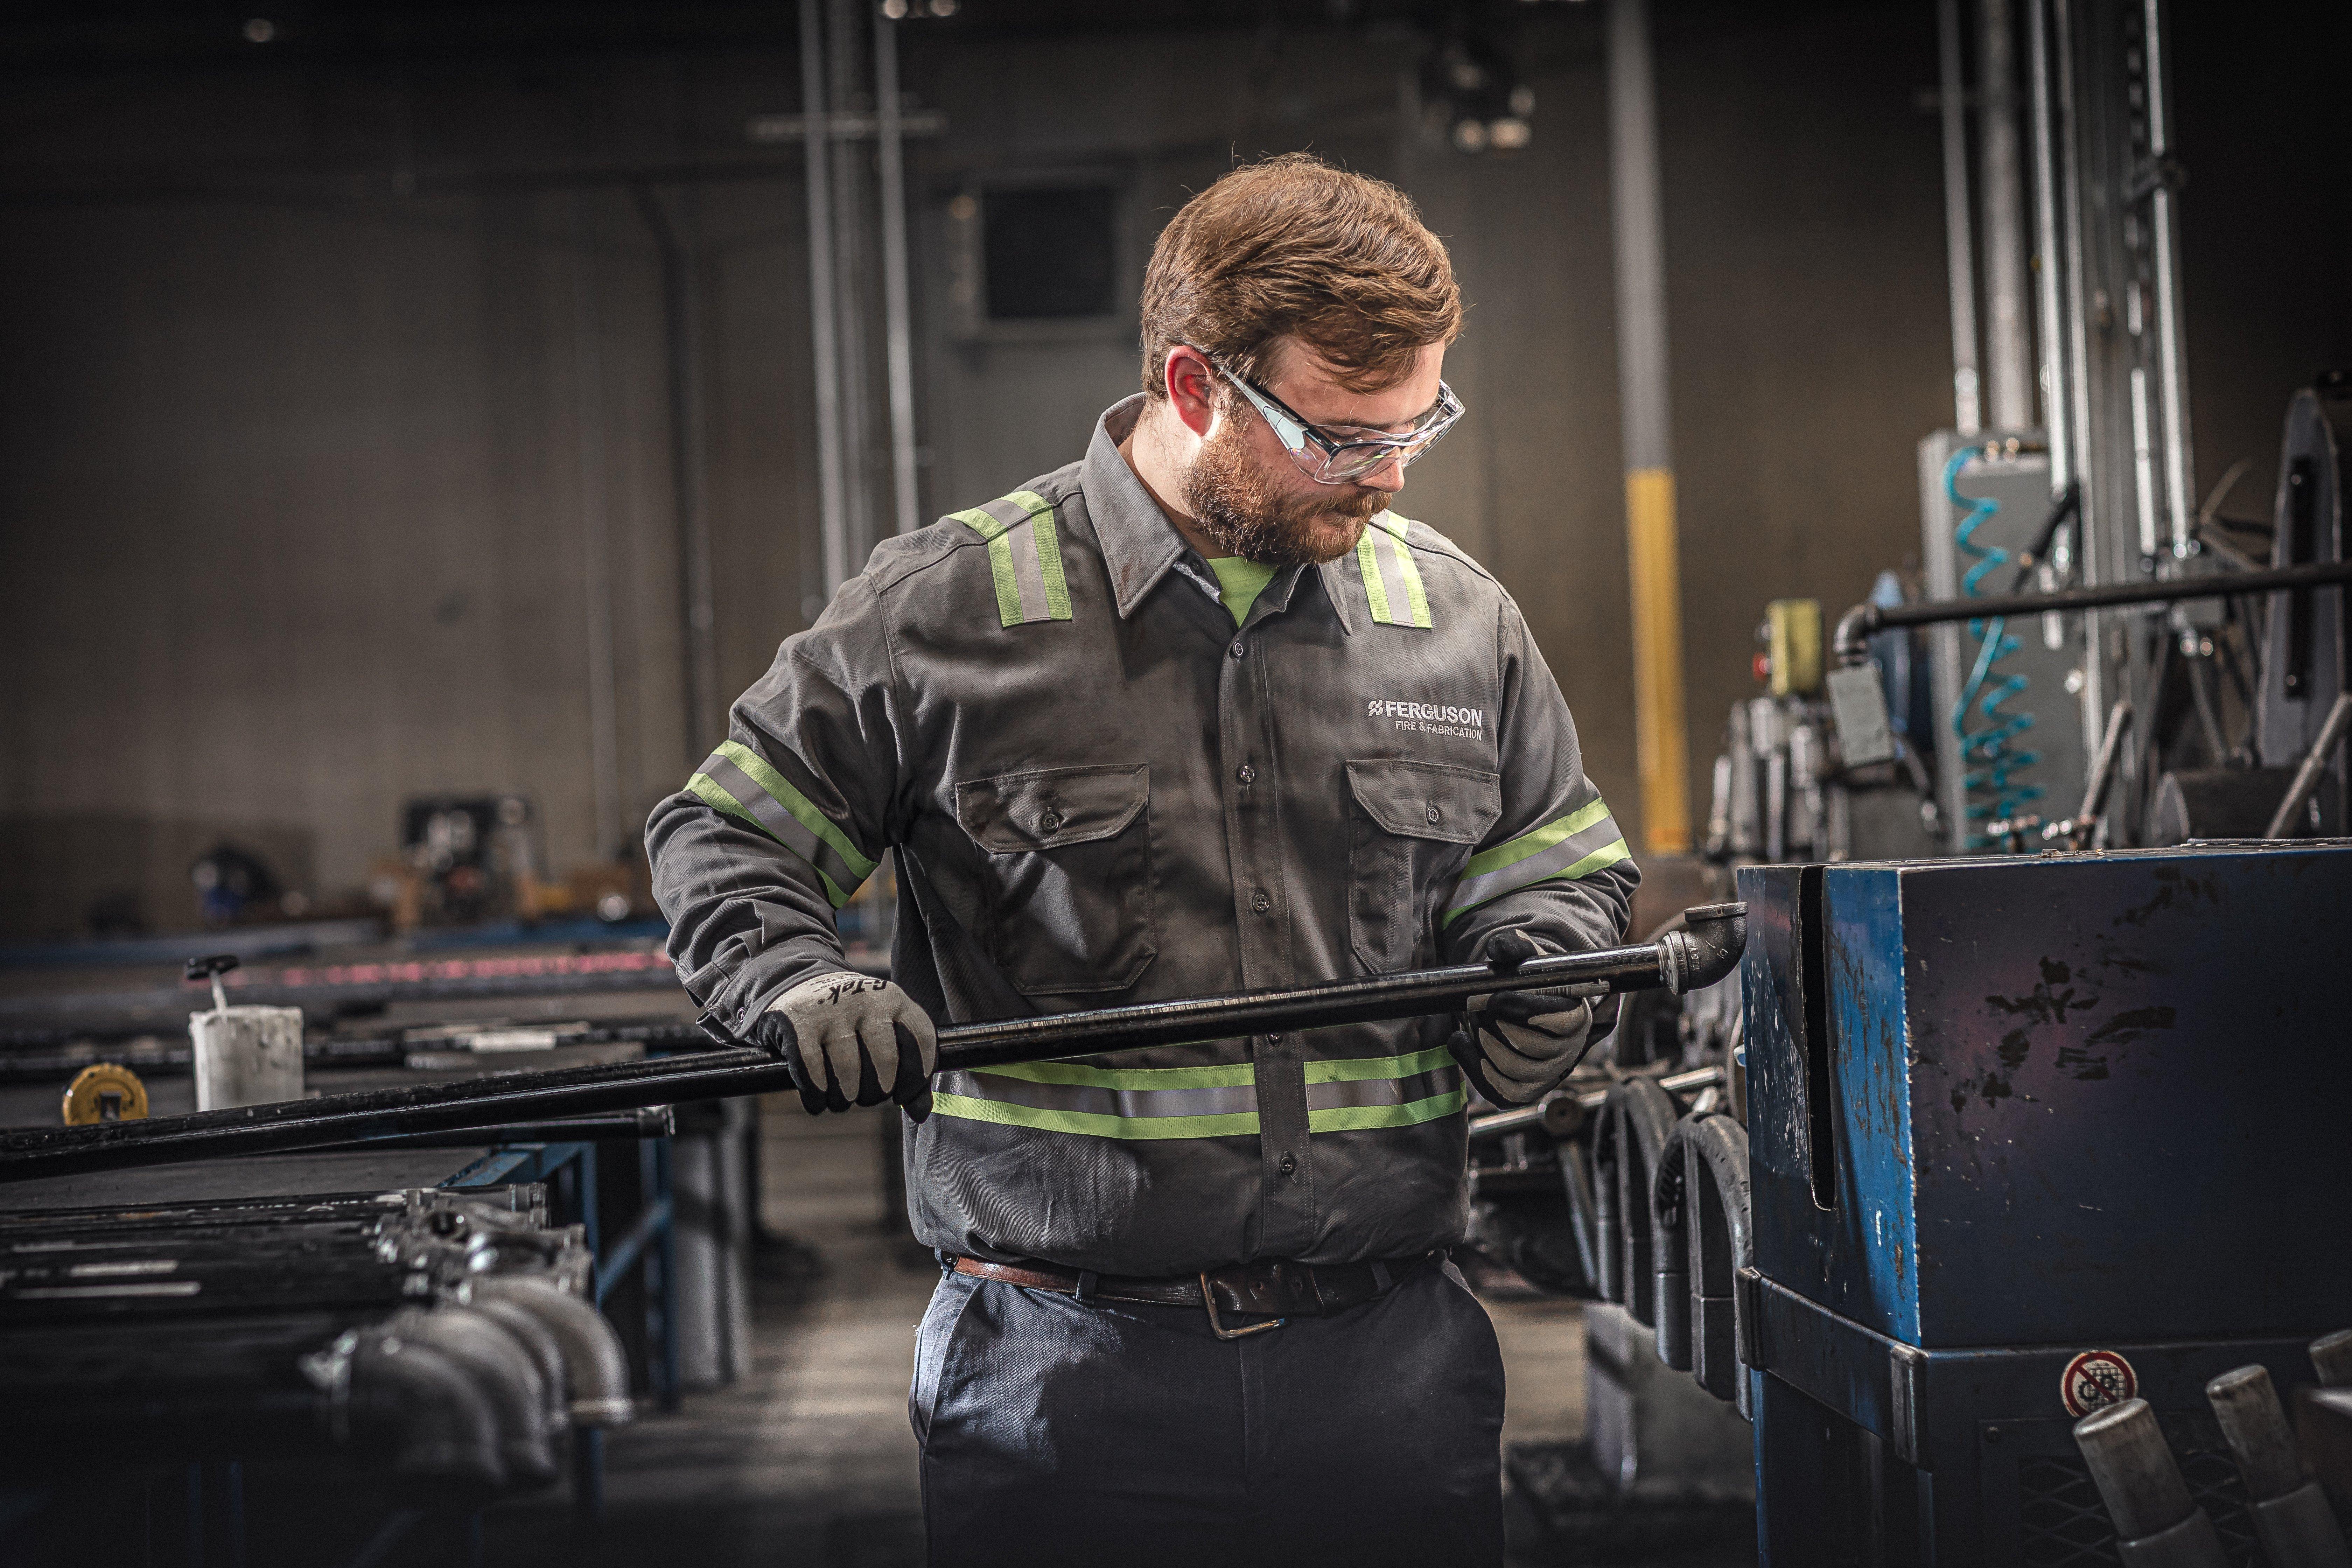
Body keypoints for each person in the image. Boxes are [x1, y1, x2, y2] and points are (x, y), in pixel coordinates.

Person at [648, 152, 1638, 1564]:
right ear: (1195, 390)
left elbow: (1553, 848)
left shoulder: (1455, 620)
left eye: (1420, 423)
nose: (1395, 472)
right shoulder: (951, 611)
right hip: (1063, 1378)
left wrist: (1542, 957)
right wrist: (792, 978)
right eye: (1346, 436)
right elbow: (728, 832)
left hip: (1389, 1372)